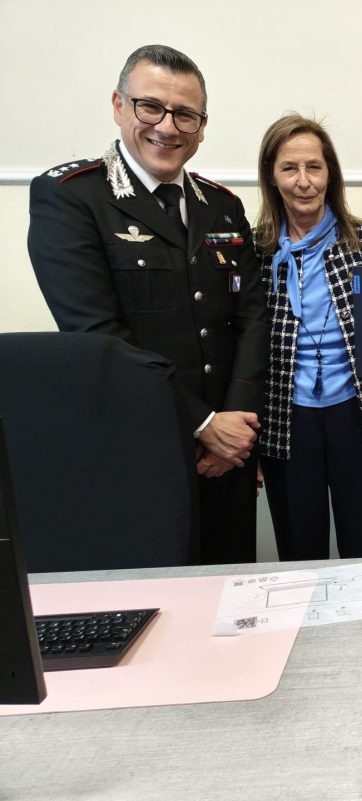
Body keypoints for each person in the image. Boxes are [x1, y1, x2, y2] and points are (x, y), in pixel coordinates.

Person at [27, 44, 266, 565]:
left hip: (229, 456)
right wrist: (204, 425)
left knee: (233, 594)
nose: (167, 127)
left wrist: (237, 422)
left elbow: (251, 316)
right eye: (150, 107)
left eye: (185, 114)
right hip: (139, 449)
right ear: (119, 105)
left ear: (202, 126)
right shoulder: (71, 197)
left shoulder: (222, 205)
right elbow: (97, 335)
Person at [254, 115, 362, 560]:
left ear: (331, 174)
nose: (303, 181)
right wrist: (249, 439)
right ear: (271, 176)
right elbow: (242, 346)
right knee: (299, 556)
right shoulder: (255, 252)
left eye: (314, 167)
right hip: (285, 423)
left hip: (360, 417)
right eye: (289, 168)